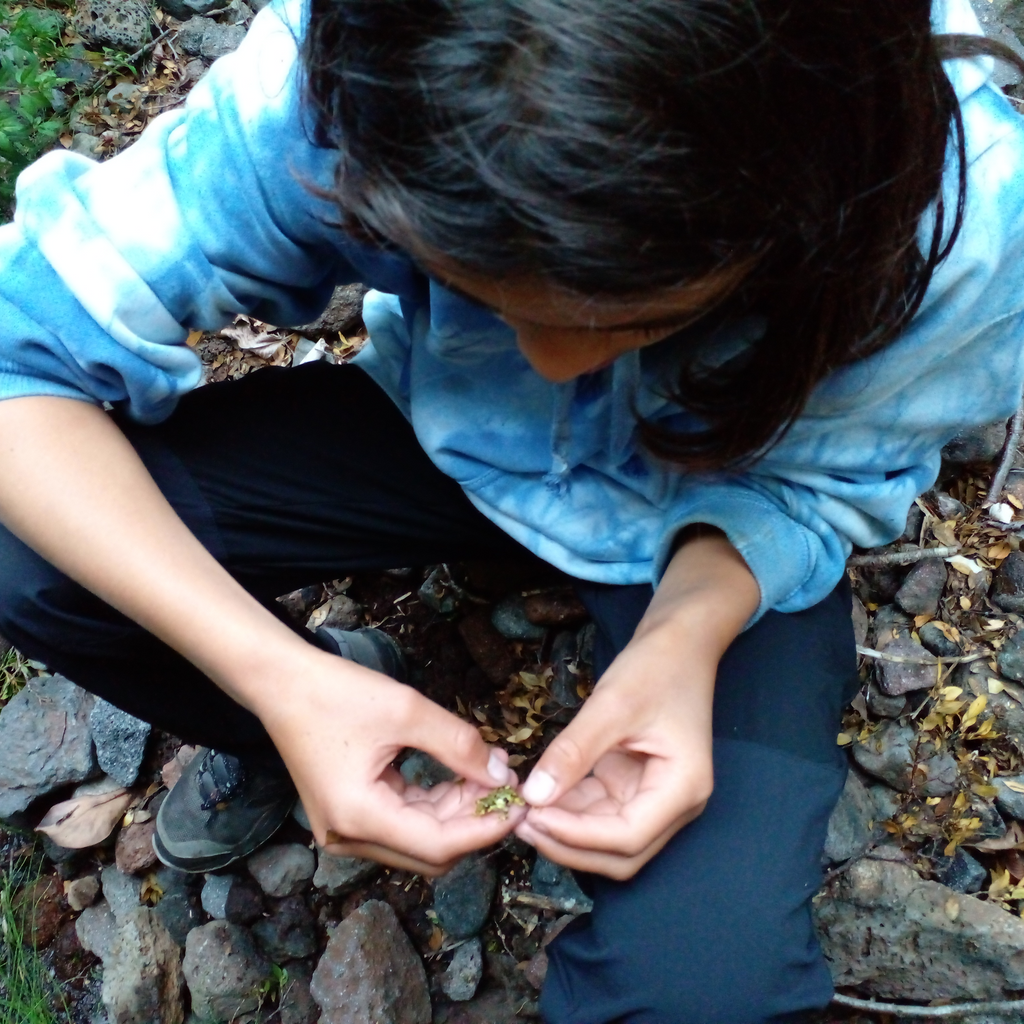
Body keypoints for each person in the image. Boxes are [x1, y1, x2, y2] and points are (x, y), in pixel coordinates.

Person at [1, 0, 1023, 1018]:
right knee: (28, 546)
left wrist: (688, 629)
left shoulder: (955, 216)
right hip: (436, 436)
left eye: (647, 319)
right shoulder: (361, 78)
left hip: (718, 501)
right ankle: (321, 716)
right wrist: (273, 678)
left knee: (705, 983)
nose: (550, 360)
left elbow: (820, 481)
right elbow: (17, 356)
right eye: (481, 287)